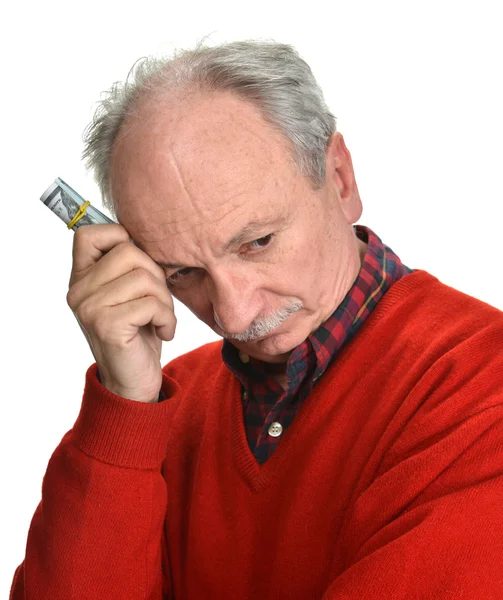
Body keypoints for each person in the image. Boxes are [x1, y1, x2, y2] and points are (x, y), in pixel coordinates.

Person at [11, 40, 503, 600]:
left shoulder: (482, 388)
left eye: (257, 242)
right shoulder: (165, 405)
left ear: (339, 179)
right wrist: (124, 408)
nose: (234, 313)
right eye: (182, 273)